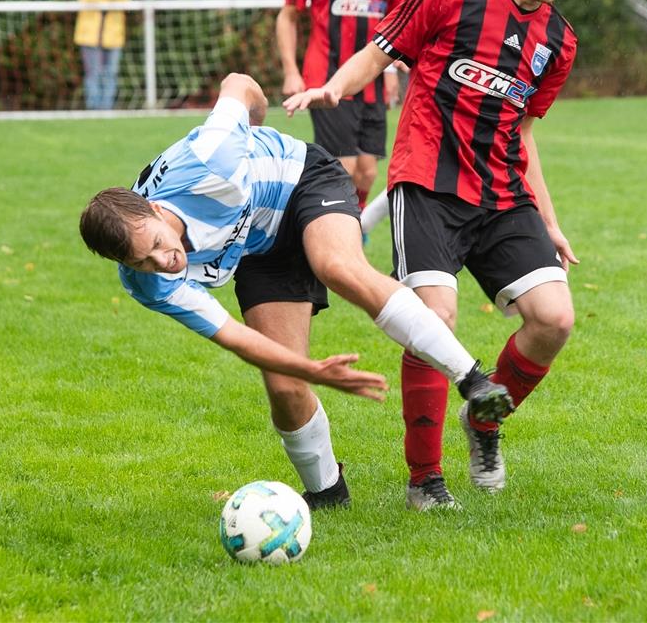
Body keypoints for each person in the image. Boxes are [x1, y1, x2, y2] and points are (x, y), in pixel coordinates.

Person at [80, 73, 513, 510]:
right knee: (285, 386)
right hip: (258, 246)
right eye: (141, 261)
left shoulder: (212, 156)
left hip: (302, 179)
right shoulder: (147, 282)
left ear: (155, 209)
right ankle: (327, 494)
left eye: (156, 244)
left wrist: (255, 122)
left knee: (337, 265)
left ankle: (474, 380)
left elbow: (238, 82)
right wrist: (314, 372)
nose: (163, 261)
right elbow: (234, 337)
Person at [284, 0, 590, 510]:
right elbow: (381, 52)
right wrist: (332, 88)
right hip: (427, 183)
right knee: (434, 321)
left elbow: (524, 135)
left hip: (503, 195)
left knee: (554, 319)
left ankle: (486, 420)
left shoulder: (559, 41)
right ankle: (425, 477)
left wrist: (549, 221)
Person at [361, 0, 506, 235]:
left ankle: (442, 230)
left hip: (475, 73)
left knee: (457, 158)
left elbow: (501, 11)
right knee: (421, 154)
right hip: (427, 69)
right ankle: (382, 225)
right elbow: (400, 6)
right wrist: (392, 67)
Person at [276, 0, 410, 217]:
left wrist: (393, 68)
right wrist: (292, 71)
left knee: (366, 171)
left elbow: (398, 23)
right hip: (326, 80)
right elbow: (288, 15)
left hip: (372, 83)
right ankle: (325, 234)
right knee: (343, 168)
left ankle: (350, 230)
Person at [74, 0, 134, 110]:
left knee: (110, 73)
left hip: (114, 33)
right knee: (93, 73)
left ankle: (106, 109)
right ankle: (94, 109)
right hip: (90, 33)